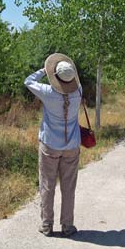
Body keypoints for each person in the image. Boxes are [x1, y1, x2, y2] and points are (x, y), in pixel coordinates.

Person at [24, 53, 82, 237]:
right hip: (71, 146)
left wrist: (45, 70)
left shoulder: (48, 92)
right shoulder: (78, 91)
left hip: (50, 145)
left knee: (47, 185)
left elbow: (28, 81)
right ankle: (67, 226)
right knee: (68, 187)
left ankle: (47, 225)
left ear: (54, 76)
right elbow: (73, 82)